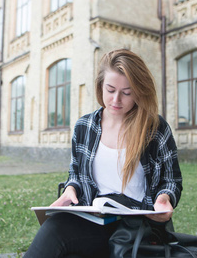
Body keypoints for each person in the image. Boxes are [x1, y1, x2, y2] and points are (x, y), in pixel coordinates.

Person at [24, 49, 182, 258]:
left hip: (139, 227)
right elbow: (76, 174)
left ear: (139, 91)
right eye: (110, 90)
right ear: (100, 86)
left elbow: (172, 180)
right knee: (55, 226)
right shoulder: (84, 126)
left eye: (127, 92)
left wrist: (164, 198)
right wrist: (71, 188)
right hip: (96, 221)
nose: (116, 99)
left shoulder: (155, 127)